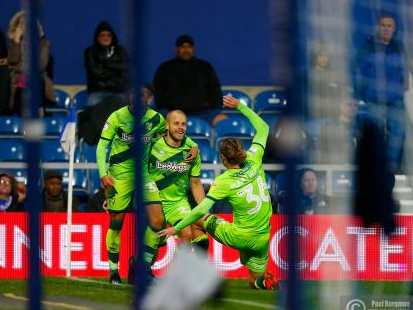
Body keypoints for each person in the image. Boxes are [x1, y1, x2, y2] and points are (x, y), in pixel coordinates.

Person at [158, 95, 278, 290]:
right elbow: (263, 128)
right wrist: (240, 106)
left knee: (201, 217)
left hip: (237, 236)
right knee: (253, 282)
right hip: (263, 237)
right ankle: (264, 281)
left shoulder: (223, 181)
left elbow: (200, 210)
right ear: (242, 152)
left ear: (222, 157)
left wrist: (175, 227)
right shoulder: (254, 159)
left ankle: (182, 268)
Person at [96, 84, 198, 285]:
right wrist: (102, 174)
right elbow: (102, 146)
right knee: (117, 223)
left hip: (144, 175)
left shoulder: (156, 119)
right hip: (119, 177)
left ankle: (142, 267)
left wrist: (191, 144)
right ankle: (114, 271)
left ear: (149, 99)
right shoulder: (117, 117)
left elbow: (174, 133)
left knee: (158, 220)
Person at [148, 109, 208, 248]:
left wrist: (204, 209)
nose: (181, 127)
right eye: (176, 123)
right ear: (167, 126)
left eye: (184, 124)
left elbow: (196, 184)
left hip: (177, 204)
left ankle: (177, 270)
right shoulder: (152, 146)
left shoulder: (192, 153)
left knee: (186, 234)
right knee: (150, 252)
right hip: (153, 202)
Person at [355, 14, 406, 172]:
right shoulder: (368, 47)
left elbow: (403, 75)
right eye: (383, 25)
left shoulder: (399, 49)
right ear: (378, 27)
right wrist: (364, 95)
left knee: (399, 128)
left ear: (394, 29)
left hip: (394, 102)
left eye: (389, 26)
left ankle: (390, 165)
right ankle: (374, 164)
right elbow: (359, 74)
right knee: (372, 132)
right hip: (373, 101)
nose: (386, 28)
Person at [153, 34, 224, 127]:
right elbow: (158, 92)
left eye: (189, 47)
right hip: (172, 113)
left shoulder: (205, 67)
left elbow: (215, 90)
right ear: (177, 49)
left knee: (222, 120)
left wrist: (209, 105)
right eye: (182, 47)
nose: (186, 50)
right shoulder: (165, 68)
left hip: (203, 113)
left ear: (193, 49)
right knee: (156, 120)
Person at [7, 10, 55, 116]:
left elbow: (41, 65)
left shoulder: (43, 43)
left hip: (37, 78)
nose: (24, 27)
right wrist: (16, 41)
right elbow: (13, 60)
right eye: (21, 24)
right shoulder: (15, 43)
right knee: (20, 87)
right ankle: (23, 121)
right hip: (18, 79)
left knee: (35, 81)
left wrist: (21, 68)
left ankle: (39, 112)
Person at [84, 21, 129, 107]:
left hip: (117, 91)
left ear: (113, 37)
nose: (106, 38)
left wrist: (104, 63)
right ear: (97, 37)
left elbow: (127, 67)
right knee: (93, 115)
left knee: (123, 116)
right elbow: (96, 72)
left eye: (109, 35)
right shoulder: (90, 52)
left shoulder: (120, 50)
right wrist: (116, 70)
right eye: (102, 35)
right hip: (97, 91)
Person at [316, 93, 360, 164]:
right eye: (349, 104)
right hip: (334, 166)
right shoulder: (328, 126)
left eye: (355, 105)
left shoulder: (362, 126)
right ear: (341, 106)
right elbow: (322, 149)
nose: (353, 107)